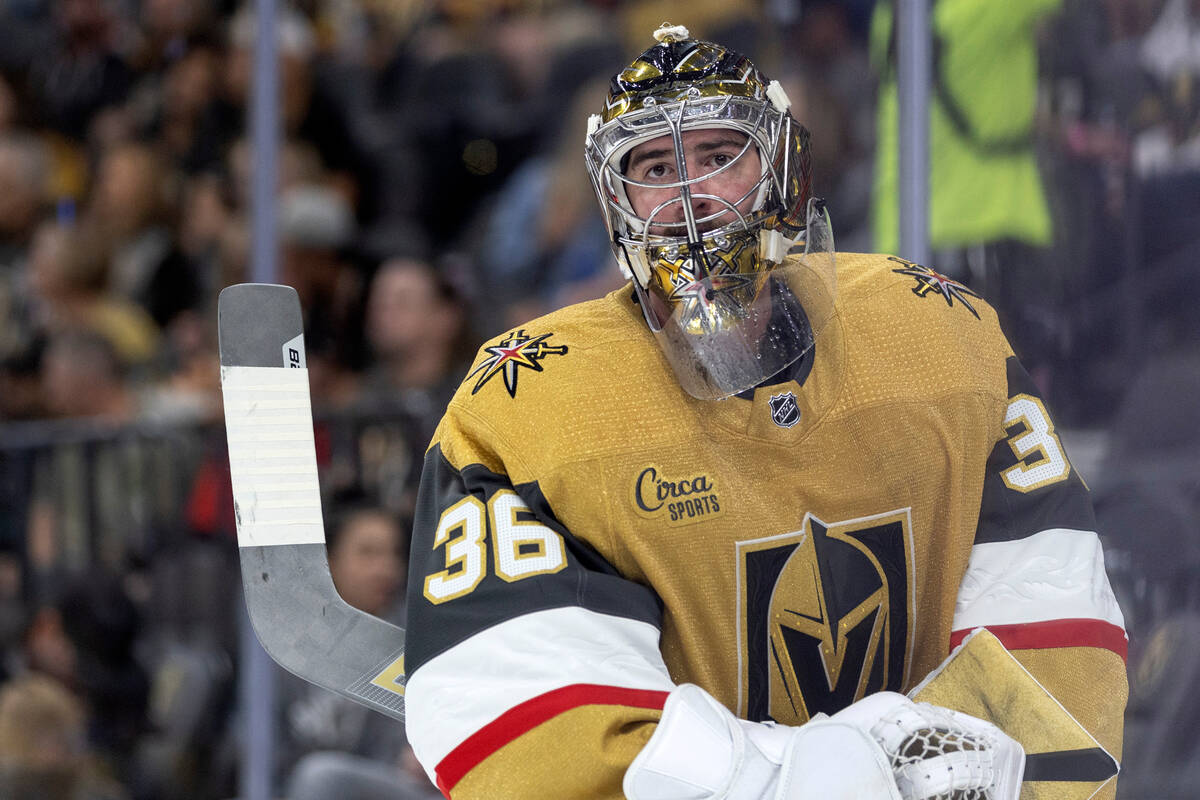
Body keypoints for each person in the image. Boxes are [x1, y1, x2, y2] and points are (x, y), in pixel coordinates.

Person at [402, 24, 1127, 800]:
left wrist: (958, 772)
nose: (690, 196)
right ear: (614, 203)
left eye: (718, 157)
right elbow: (528, 723)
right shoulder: (529, 402)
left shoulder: (940, 339)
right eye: (654, 166)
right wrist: (767, 780)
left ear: (781, 169)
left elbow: (1053, 633)